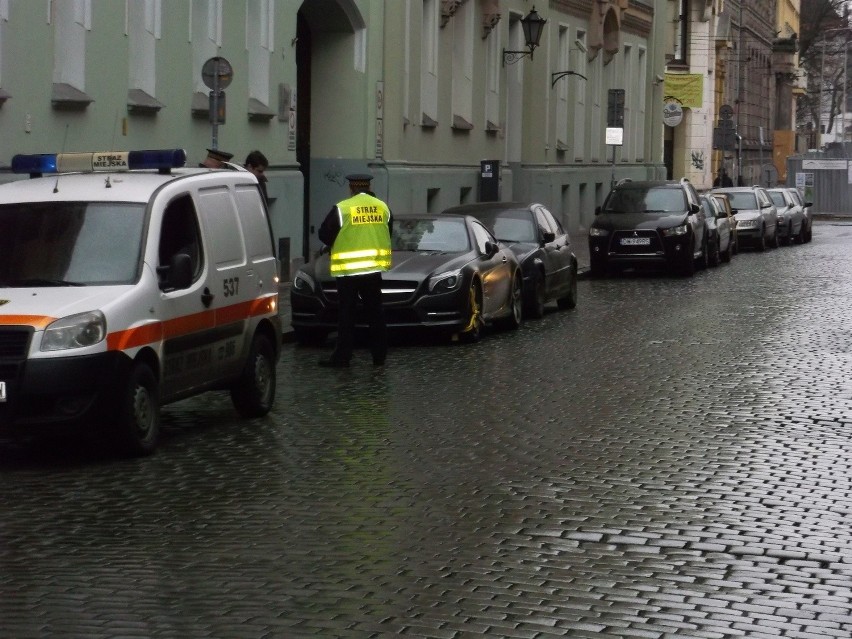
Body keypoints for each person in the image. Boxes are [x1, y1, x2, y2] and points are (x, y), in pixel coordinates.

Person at [317, 173, 392, 368]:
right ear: (368, 187)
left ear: (351, 188)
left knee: (346, 316)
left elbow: (324, 234)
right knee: (375, 314)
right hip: (372, 270)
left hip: (348, 273)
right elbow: (387, 231)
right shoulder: (382, 207)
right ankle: (379, 356)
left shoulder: (343, 208)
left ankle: (343, 357)